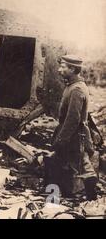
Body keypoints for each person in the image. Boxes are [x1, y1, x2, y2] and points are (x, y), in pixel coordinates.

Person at [51, 54, 98, 200]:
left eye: (63, 67)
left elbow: (73, 119)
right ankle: (64, 194)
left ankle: (92, 198)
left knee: (83, 164)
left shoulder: (76, 89)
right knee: (71, 162)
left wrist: (61, 139)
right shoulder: (73, 86)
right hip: (75, 133)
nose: (59, 70)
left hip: (75, 134)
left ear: (72, 69)